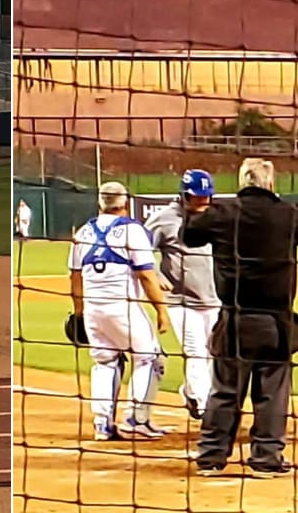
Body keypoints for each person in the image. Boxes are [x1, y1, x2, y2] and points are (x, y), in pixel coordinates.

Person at [183, 158, 298, 478]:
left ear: (242, 181)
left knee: (224, 391)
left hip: (235, 319)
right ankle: (266, 459)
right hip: (276, 322)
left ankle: (211, 457)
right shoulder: (289, 214)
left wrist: (192, 206)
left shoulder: (222, 213)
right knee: (272, 394)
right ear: (271, 183)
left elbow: (190, 234)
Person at [68, 181, 171, 441]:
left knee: (105, 362)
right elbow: (147, 276)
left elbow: (75, 278)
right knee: (152, 359)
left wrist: (78, 313)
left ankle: (103, 424)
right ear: (125, 204)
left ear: (99, 203)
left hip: (93, 311)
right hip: (123, 308)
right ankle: (137, 419)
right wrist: (162, 312)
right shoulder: (132, 231)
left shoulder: (82, 233)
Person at [144, 169, 221, 421]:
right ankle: (203, 405)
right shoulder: (164, 219)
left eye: (206, 197)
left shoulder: (215, 217)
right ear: (185, 195)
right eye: (197, 197)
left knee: (215, 352)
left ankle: (191, 392)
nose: (202, 201)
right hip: (180, 301)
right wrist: (155, 274)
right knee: (195, 349)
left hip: (212, 298)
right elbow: (139, 250)